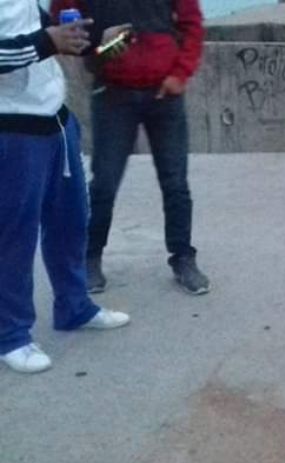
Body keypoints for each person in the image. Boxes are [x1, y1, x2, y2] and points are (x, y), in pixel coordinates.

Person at [0, 0, 131, 374]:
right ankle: (11, 336)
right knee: (14, 237)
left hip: (55, 119)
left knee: (71, 221)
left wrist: (96, 43)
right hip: (12, 129)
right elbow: (41, 40)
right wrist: (48, 41)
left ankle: (74, 306)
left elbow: (49, 32)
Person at [50, 0, 209, 295]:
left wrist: (180, 74)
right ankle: (90, 258)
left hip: (165, 93)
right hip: (112, 93)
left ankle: (183, 258)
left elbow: (192, 25)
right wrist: (97, 46)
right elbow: (62, 19)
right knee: (104, 185)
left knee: (175, 183)